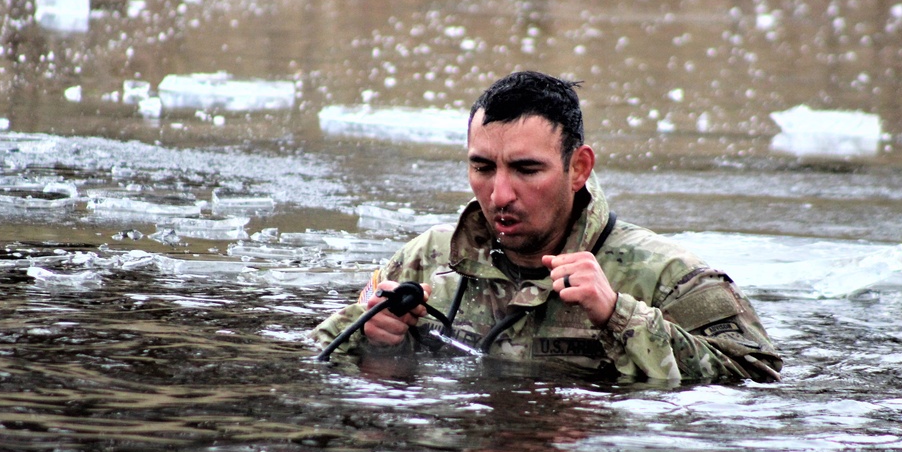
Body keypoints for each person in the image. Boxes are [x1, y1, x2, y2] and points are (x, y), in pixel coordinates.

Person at [312, 71, 783, 385]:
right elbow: (318, 354)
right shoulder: (427, 260)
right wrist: (373, 338)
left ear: (578, 168)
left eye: (527, 169)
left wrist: (619, 316)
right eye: (482, 167)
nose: (499, 194)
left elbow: (759, 375)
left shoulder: (664, 274)